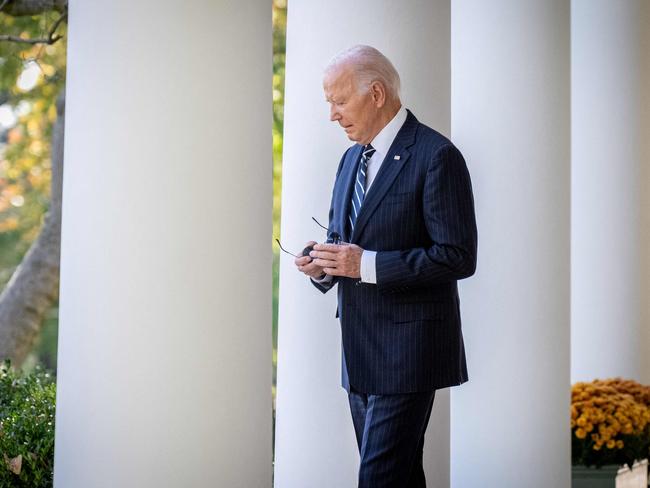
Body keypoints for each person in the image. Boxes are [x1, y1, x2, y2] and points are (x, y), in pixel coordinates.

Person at [294, 45, 478, 488]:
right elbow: (346, 242)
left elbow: (457, 255)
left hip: (410, 349)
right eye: (329, 104)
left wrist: (366, 265)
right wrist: (324, 263)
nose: (333, 115)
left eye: (339, 101)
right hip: (359, 350)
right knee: (399, 477)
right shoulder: (351, 158)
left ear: (375, 93)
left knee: (378, 478)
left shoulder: (437, 156)